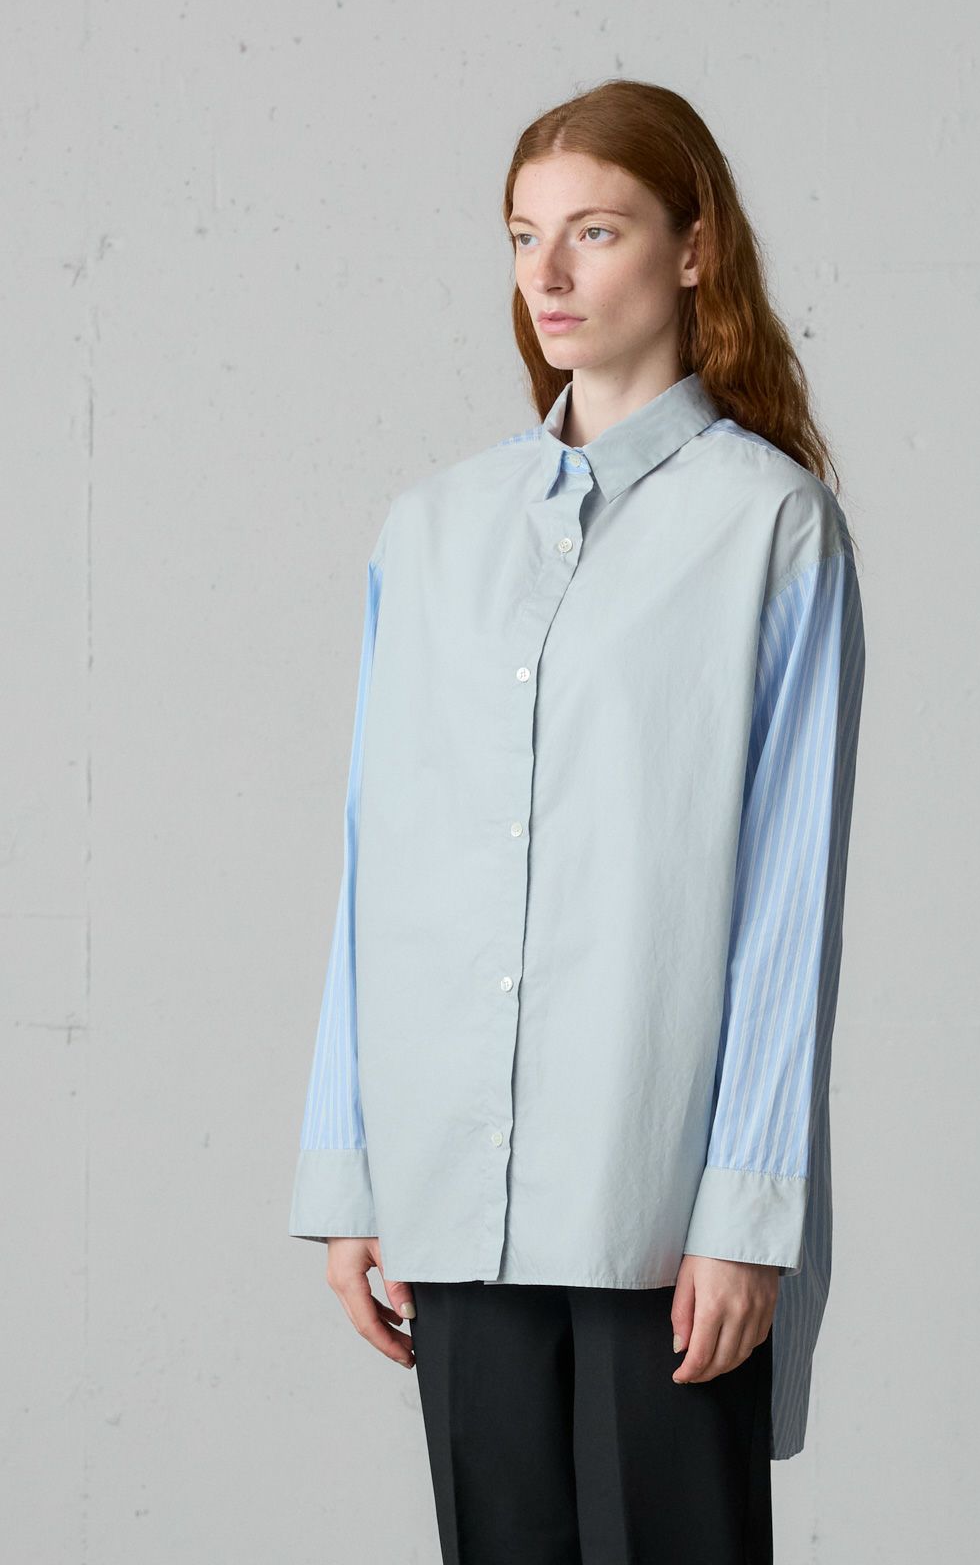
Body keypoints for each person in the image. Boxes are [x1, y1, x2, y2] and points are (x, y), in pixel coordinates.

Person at [288, 77, 867, 1565]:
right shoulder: (429, 531)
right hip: (449, 1182)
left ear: (693, 247)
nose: (546, 274)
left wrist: (746, 1214)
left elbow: (786, 905)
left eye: (594, 231)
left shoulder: (770, 526)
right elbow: (372, 867)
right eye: (522, 235)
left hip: (655, 1196)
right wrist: (350, 1171)